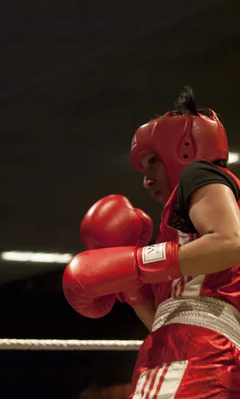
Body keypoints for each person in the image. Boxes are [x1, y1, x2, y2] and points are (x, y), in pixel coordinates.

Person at [63, 86, 240, 397]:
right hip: (201, 350)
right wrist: (132, 288)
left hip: (195, 353)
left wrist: (136, 263)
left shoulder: (199, 175)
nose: (146, 180)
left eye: (152, 164)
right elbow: (175, 318)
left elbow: (229, 242)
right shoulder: (190, 242)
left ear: (184, 149)